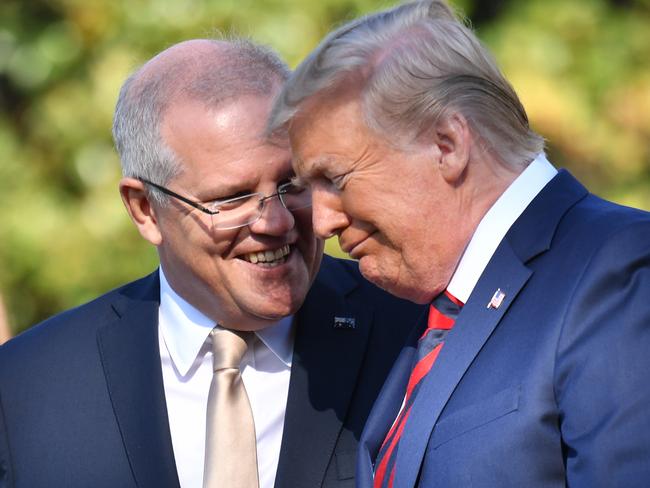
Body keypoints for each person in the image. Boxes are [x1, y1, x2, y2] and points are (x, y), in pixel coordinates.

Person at [0, 39, 424, 488]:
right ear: (145, 209)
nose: (277, 222)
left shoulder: (414, 332)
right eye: (233, 198)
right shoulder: (28, 384)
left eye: (293, 183)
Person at [268, 1, 650, 487]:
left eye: (335, 178)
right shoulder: (429, 311)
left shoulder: (620, 272)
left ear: (447, 144)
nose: (320, 221)